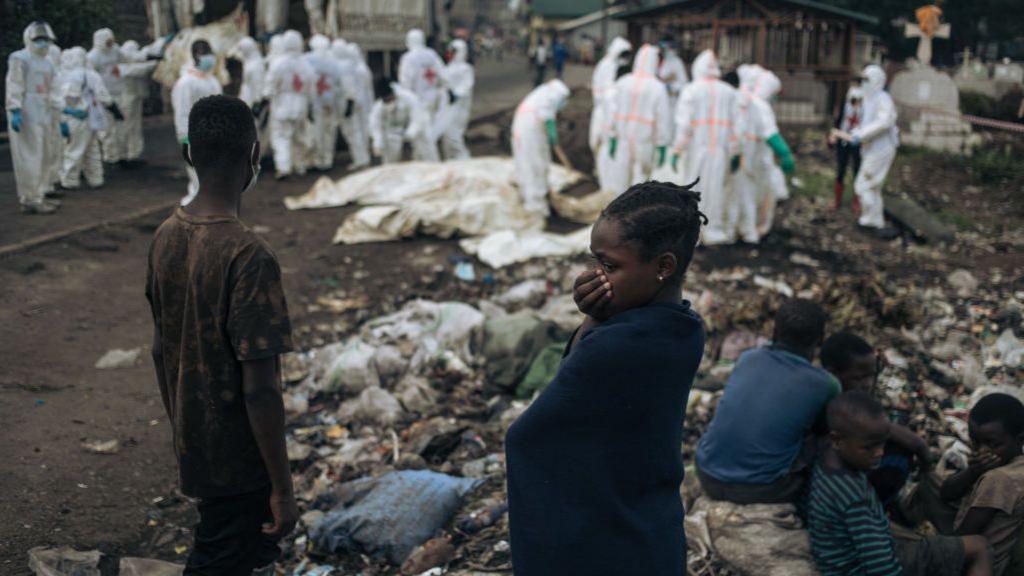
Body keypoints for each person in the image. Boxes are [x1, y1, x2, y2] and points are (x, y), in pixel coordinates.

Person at [507, 180, 707, 576]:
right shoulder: (686, 327)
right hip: (649, 524)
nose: (596, 276)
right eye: (595, 262)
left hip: (604, 538)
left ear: (663, 266)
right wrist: (599, 314)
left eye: (610, 266)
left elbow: (532, 435)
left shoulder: (616, 345)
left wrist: (594, 318)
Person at [147, 94, 297, 576]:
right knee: (221, 560)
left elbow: (159, 349)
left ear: (189, 154)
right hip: (240, 462)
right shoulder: (249, 256)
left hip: (195, 446)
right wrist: (282, 486)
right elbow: (261, 387)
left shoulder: (166, 234)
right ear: (254, 156)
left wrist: (183, 428)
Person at [807, 391, 992, 576]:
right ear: (837, 440)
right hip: (856, 568)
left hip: (837, 561)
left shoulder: (825, 461)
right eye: (869, 447)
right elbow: (882, 567)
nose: (880, 452)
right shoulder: (855, 498)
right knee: (980, 547)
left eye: (882, 444)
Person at [696, 298, 839, 504]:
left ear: (774, 333)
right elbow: (823, 431)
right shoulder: (826, 384)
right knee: (830, 441)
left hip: (706, 473)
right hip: (759, 490)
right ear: (821, 339)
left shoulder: (748, 358)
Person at [820, 333, 933, 507]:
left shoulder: (848, 397)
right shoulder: (833, 404)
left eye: (870, 376)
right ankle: (875, 508)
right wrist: (925, 458)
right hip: (830, 483)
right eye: (858, 377)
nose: (866, 383)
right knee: (898, 457)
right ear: (832, 373)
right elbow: (904, 438)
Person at [939, 393, 1024, 576]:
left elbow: (962, 539)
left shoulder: (999, 479)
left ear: (1020, 440)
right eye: (975, 442)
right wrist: (972, 472)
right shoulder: (1015, 467)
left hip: (979, 565)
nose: (982, 451)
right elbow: (946, 492)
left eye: (992, 444)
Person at [670, 50, 742, 245]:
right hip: (720, 151)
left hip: (697, 151)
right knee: (716, 191)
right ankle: (713, 232)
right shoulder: (729, 92)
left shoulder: (691, 90)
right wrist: (736, 152)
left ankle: (693, 235)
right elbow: (737, 126)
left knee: (693, 190)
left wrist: (677, 150)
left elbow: (685, 125)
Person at [6, 21, 63, 214]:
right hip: (27, 111)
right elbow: (15, 83)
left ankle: (41, 193)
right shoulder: (20, 58)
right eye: (38, 39)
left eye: (46, 39)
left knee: (45, 154)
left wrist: (60, 115)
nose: (43, 43)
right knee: (30, 156)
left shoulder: (48, 63)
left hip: (44, 112)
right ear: (29, 39)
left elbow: (54, 89)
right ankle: (30, 198)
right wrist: (14, 109)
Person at [734, 65, 794, 243]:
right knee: (755, 196)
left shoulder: (742, 100)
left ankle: (740, 229)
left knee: (740, 195)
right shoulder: (760, 106)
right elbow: (770, 134)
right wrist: (785, 153)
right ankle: (752, 232)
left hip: (743, 156)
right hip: (756, 159)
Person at [604, 44, 672, 195]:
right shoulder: (657, 87)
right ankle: (635, 216)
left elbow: (612, 112)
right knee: (640, 185)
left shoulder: (623, 82)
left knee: (620, 182)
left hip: (623, 140)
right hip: (644, 143)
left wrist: (612, 135)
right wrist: (662, 143)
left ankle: (619, 215)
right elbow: (663, 118)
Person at [171, 39, 222, 206]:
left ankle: (211, 200)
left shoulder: (212, 80)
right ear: (195, 56)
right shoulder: (186, 83)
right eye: (204, 53)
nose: (209, 58)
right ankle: (198, 201)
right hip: (194, 133)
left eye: (209, 53)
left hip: (213, 132)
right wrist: (184, 135)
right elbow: (182, 111)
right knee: (197, 169)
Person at [510, 79, 570, 218]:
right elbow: (547, 116)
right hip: (529, 133)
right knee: (534, 166)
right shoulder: (555, 94)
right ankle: (536, 207)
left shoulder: (542, 94)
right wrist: (552, 135)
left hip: (530, 131)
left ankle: (537, 199)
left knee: (536, 165)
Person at [56, 47, 113, 190]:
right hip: (92, 117)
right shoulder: (92, 74)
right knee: (92, 149)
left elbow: (65, 99)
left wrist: (63, 118)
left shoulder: (66, 76)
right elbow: (104, 96)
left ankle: (69, 180)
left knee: (74, 150)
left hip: (75, 117)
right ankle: (96, 179)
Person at [261, 30, 315, 179]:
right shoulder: (306, 64)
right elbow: (312, 87)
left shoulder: (278, 63)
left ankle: (284, 167)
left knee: (281, 137)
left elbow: (270, 84)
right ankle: (300, 166)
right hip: (301, 105)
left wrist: (265, 99)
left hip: (282, 105)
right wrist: (310, 104)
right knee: (299, 137)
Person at [850, 65, 898, 233]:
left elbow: (885, 122)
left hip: (881, 149)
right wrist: (857, 132)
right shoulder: (869, 99)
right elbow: (867, 122)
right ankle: (874, 220)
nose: (864, 84)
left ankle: (870, 221)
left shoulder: (882, 98)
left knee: (863, 184)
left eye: (867, 80)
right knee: (873, 186)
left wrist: (862, 134)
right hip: (872, 148)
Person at [589, 36, 632, 189]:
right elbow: (609, 93)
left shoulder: (606, 64)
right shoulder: (608, 66)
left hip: (604, 109)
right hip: (604, 110)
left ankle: (603, 176)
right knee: (603, 145)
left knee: (601, 144)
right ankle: (604, 179)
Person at [117, 40, 162, 167]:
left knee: (134, 128)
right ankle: (125, 154)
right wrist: (154, 63)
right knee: (127, 127)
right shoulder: (121, 66)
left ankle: (133, 154)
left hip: (135, 98)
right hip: (126, 99)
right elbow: (137, 71)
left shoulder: (133, 63)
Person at [303, 34, 345, 171]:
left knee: (316, 131)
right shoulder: (334, 61)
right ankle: (327, 160)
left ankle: (316, 159)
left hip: (316, 101)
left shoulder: (307, 59)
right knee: (329, 131)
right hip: (331, 101)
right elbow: (340, 83)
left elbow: (306, 82)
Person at [87, 28, 128, 164]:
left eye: (112, 41)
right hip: (103, 98)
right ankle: (109, 157)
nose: (111, 44)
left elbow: (128, 58)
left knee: (121, 126)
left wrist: (147, 55)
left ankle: (122, 155)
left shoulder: (115, 50)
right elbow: (91, 80)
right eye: (108, 42)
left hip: (118, 92)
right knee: (106, 129)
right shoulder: (93, 57)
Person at [397, 28, 445, 145]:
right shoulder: (432, 54)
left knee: (420, 128)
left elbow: (405, 80)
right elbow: (443, 74)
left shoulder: (408, 58)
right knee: (430, 125)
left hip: (417, 98)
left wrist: (405, 100)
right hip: (433, 96)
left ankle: (426, 156)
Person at [332, 40, 372, 170]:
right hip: (359, 101)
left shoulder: (342, 66)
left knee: (352, 132)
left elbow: (348, 87)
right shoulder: (354, 65)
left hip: (348, 103)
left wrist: (349, 104)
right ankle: (363, 157)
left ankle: (360, 160)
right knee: (358, 130)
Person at [369, 77, 427, 164]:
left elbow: (417, 118)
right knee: (390, 148)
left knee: (423, 150)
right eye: (385, 100)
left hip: (415, 130)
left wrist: (410, 134)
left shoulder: (409, 98)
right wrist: (377, 143)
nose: (388, 102)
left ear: (392, 93)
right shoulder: (379, 107)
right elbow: (375, 125)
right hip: (395, 132)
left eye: (389, 99)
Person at [437, 38, 475, 160]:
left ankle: (464, 162)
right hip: (447, 107)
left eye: (454, 51)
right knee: (446, 138)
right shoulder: (447, 68)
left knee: (454, 136)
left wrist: (456, 94)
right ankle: (451, 162)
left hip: (459, 108)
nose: (451, 54)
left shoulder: (465, 68)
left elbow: (467, 85)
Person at [830, 85, 864, 212]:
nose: (855, 103)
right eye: (853, 100)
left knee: (857, 171)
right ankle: (837, 200)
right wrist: (833, 135)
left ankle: (856, 200)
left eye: (858, 100)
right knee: (840, 170)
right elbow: (837, 123)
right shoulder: (844, 108)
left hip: (858, 143)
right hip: (843, 141)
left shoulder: (865, 111)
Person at [657, 37, 688, 136]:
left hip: (672, 100)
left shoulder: (677, 62)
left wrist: (670, 86)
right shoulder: (662, 61)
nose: (665, 51)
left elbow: (683, 83)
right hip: (660, 98)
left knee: (670, 125)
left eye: (668, 48)